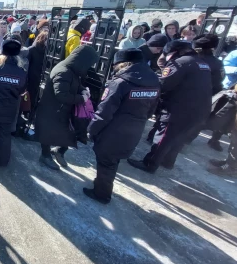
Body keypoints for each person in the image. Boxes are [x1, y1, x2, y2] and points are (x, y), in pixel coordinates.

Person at [83, 49, 160, 204]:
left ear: (121, 63)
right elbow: (153, 109)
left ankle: (102, 194)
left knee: (106, 162)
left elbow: (104, 113)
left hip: (112, 132)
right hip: (135, 130)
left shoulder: (120, 83)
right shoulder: (154, 81)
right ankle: (102, 186)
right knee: (114, 160)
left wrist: (90, 131)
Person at [128, 40, 212, 173]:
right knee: (179, 137)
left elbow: (164, 85)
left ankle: (150, 163)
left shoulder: (179, 63)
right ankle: (168, 161)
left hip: (179, 109)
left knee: (164, 137)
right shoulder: (202, 63)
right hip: (200, 110)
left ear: (174, 52)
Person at [35, 45, 99, 170]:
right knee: (48, 134)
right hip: (52, 110)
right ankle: (45, 155)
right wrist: (82, 99)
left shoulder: (71, 70)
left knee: (69, 134)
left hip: (61, 109)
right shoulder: (63, 71)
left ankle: (59, 151)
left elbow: (75, 83)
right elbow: (61, 94)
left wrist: (83, 90)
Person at [26, 30, 48, 124]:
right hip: (32, 78)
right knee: (31, 96)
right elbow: (26, 65)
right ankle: (29, 114)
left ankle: (34, 115)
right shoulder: (31, 49)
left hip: (42, 77)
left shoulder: (49, 51)